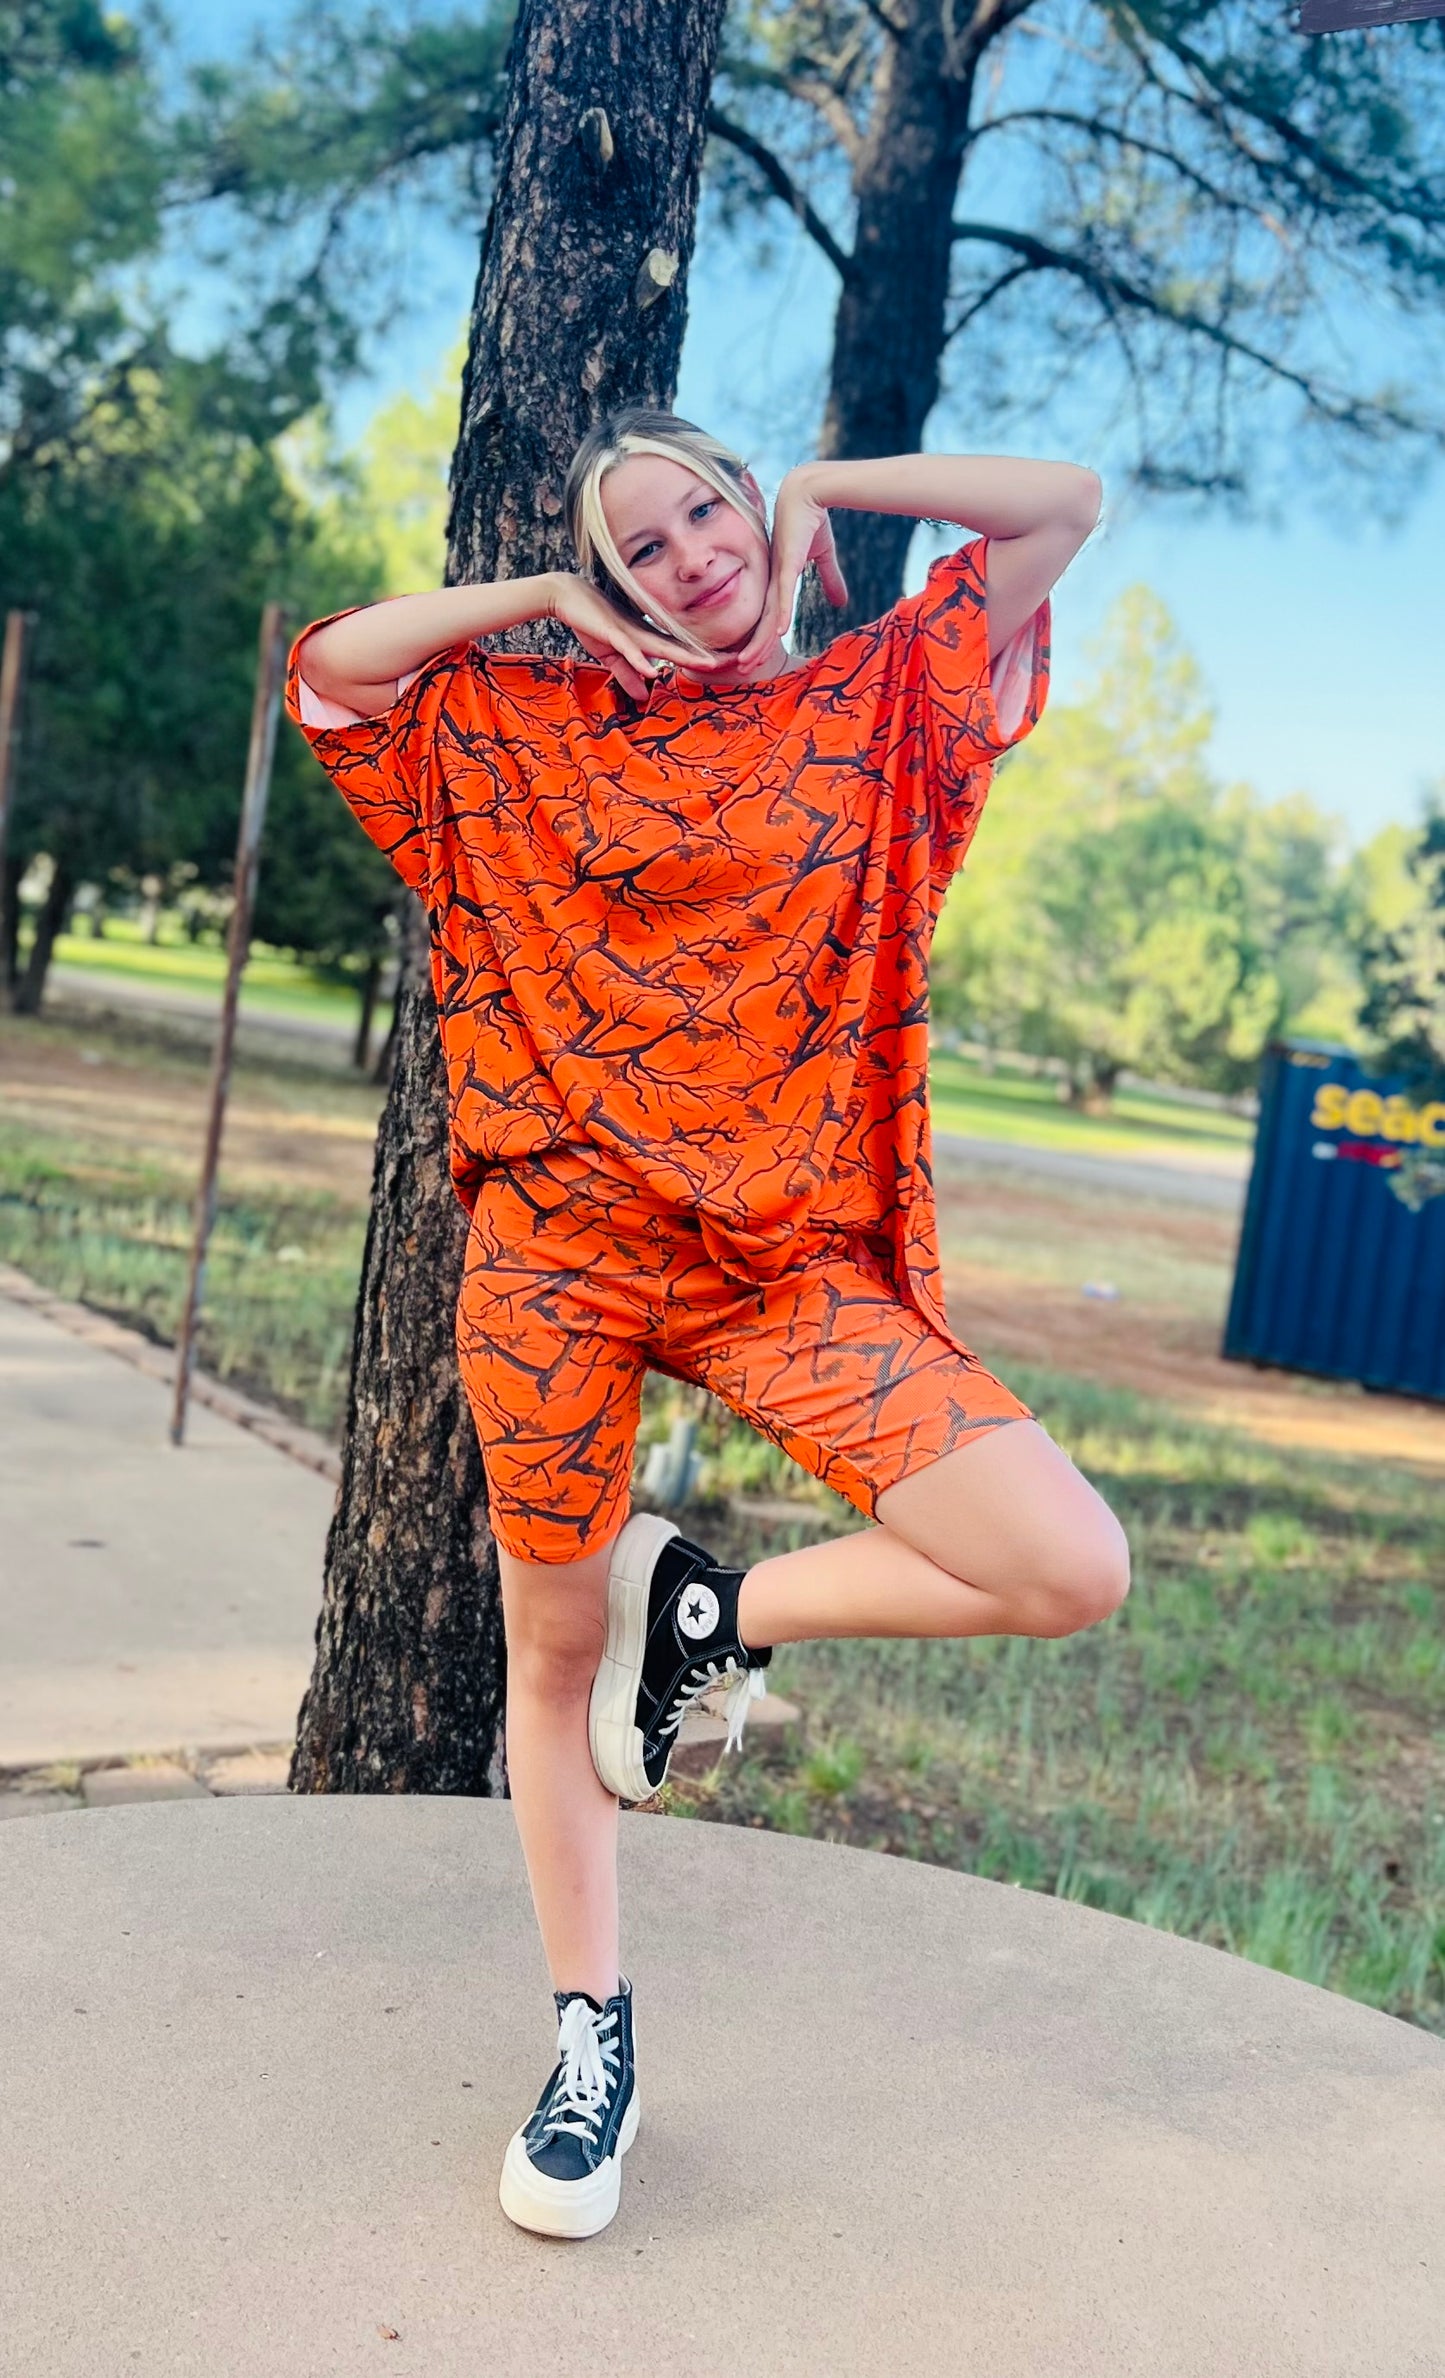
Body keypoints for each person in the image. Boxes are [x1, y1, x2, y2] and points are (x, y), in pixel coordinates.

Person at [286, 408, 1128, 2243]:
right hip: (559, 1253)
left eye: (704, 512)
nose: (689, 559)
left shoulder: (891, 704)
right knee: (547, 1654)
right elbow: (334, 683)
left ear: (752, 509)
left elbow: (1061, 502)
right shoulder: (527, 738)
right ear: (612, 584)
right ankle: (591, 2037)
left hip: (787, 1268)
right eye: (641, 548)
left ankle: (719, 1612)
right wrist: (540, 604)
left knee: (1065, 1559)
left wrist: (834, 489)